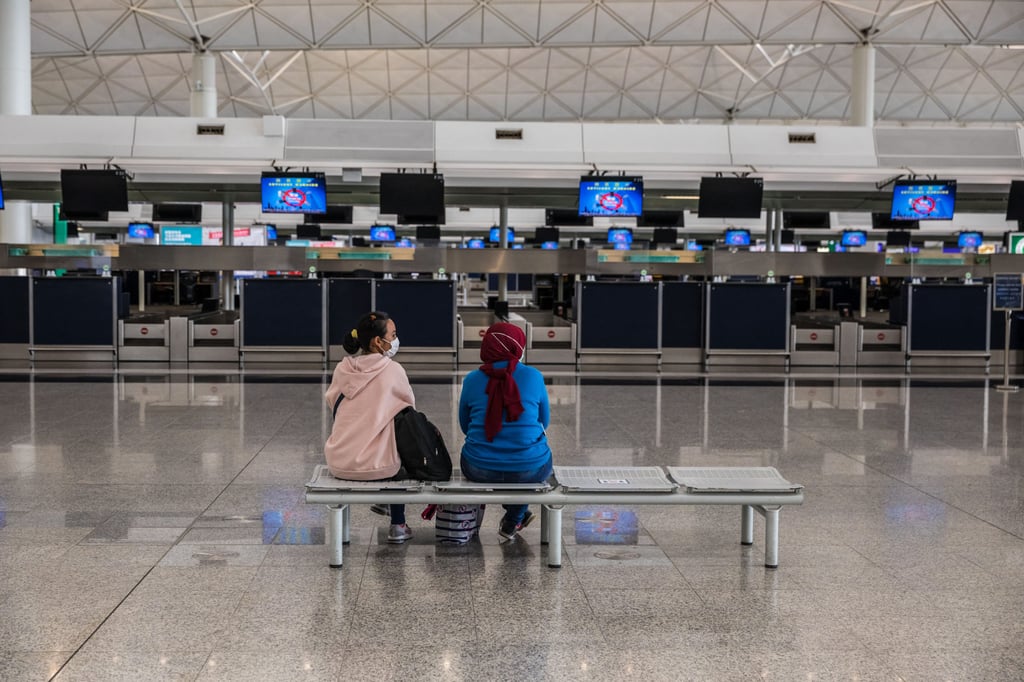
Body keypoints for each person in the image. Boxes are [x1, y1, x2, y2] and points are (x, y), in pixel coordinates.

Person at [324, 311, 415, 543]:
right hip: (379, 466)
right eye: (392, 335)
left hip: (339, 461)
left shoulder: (342, 369)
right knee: (400, 449)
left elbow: (332, 403)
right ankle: (398, 524)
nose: (395, 340)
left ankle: (383, 501)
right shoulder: (393, 370)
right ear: (378, 341)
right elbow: (408, 412)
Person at [459, 322, 553, 540]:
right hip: (529, 468)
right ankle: (513, 519)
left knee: (506, 470)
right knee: (526, 466)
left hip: (477, 467)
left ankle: (517, 512)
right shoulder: (533, 376)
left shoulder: (472, 379)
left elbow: (465, 426)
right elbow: (544, 422)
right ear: (517, 347)